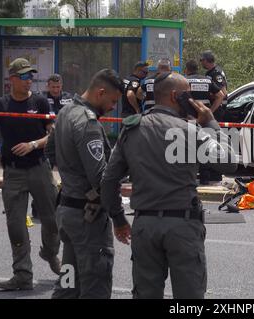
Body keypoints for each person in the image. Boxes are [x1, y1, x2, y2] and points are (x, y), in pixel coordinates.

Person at [101, 72, 237, 299]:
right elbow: (229, 163)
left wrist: (118, 218)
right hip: (182, 225)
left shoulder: (132, 129)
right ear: (175, 96)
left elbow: (108, 180)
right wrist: (211, 124)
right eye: (188, 95)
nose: (192, 100)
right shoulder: (190, 131)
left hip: (144, 225)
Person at [47, 69, 130, 299]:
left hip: (67, 215)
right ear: (100, 92)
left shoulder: (64, 112)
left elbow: (50, 151)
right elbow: (101, 179)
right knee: (95, 287)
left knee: (68, 283)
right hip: (88, 221)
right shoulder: (88, 123)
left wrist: (71, 172)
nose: (114, 107)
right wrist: (119, 218)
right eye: (113, 101)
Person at [0, 58, 60, 291]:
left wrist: (33, 144)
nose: (29, 80)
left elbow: (52, 135)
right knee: (16, 225)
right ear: (11, 79)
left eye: (30, 75)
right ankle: (22, 274)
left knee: (52, 220)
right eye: (23, 76)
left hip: (39, 168)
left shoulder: (40, 102)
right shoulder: (0, 105)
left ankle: (51, 253)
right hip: (13, 173)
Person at [31, 74, 73, 219]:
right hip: (47, 143)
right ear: (47, 86)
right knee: (44, 178)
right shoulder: (40, 99)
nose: (56, 89)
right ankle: (37, 209)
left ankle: (63, 208)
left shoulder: (69, 98)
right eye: (53, 87)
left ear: (62, 86)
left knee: (68, 177)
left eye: (58, 86)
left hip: (65, 142)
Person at [184, 59, 226, 185]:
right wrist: (210, 111)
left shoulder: (185, 81)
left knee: (190, 146)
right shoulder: (207, 80)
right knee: (205, 146)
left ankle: (190, 177)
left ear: (187, 69)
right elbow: (221, 95)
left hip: (191, 118)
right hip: (205, 120)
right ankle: (205, 177)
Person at [200, 50, 228, 122]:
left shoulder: (216, 73)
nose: (201, 62)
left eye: (201, 60)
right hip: (215, 107)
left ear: (206, 60)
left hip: (217, 108)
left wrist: (210, 112)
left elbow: (223, 93)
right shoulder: (210, 72)